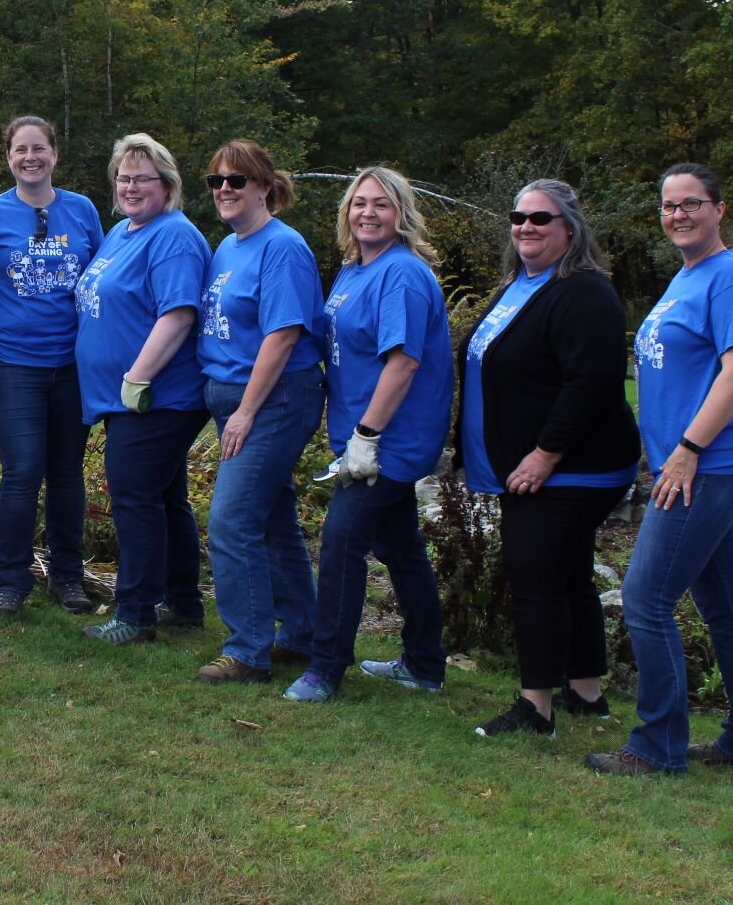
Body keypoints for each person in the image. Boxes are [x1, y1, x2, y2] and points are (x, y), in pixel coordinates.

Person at [588, 164, 733, 776]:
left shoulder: (731, 279)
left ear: (720, 210)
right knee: (724, 608)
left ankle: (656, 746)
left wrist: (688, 448)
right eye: (669, 206)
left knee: (645, 599)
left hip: (710, 466)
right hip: (693, 466)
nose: (678, 215)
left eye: (692, 204)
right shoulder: (686, 277)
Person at [457, 179, 639, 736]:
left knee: (533, 573)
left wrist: (544, 454)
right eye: (519, 217)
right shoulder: (524, 283)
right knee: (568, 573)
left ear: (570, 228)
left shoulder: (583, 292)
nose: (526, 227)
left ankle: (536, 707)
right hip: (537, 462)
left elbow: (590, 383)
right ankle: (586, 690)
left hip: (572, 466)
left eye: (541, 218)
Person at [285, 166, 451, 703]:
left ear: (401, 213)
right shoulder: (355, 269)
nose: (368, 213)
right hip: (360, 437)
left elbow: (402, 363)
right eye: (359, 204)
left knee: (341, 543)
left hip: (387, 443)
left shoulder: (400, 274)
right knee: (401, 548)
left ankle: (325, 666)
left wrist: (367, 435)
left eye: (381, 204)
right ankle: (425, 663)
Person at [0, 115, 104, 618]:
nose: (29, 158)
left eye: (38, 148)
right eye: (20, 150)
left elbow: (99, 287)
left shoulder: (83, 211)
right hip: (14, 365)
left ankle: (67, 576)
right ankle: (11, 577)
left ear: (55, 154)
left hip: (73, 366)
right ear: (9, 158)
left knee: (66, 473)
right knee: (22, 471)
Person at [194, 140, 327, 684]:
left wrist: (247, 411)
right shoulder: (229, 247)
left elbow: (282, 335)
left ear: (265, 188)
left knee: (231, 520)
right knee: (273, 521)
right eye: (217, 181)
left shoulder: (283, 247)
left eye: (237, 181)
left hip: (272, 400)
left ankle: (249, 649)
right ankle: (301, 633)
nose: (225, 189)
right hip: (234, 399)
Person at [73, 133, 212, 645]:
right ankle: (183, 603)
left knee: (133, 497)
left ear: (167, 184)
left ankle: (135, 613)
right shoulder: (123, 232)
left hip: (157, 398)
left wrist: (137, 377)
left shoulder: (173, 236)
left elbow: (177, 314)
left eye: (142, 178)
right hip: (125, 397)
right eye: (123, 177)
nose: (130, 186)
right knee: (165, 497)